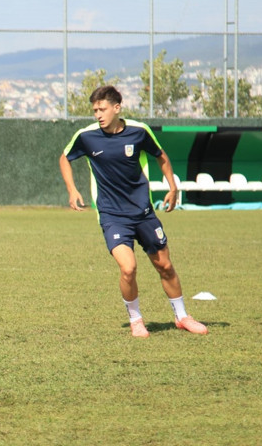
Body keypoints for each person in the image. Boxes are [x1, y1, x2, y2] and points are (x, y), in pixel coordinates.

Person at [59, 85, 207, 338]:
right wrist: (72, 190)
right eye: (94, 110)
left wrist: (173, 187)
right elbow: (64, 158)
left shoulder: (139, 132)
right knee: (128, 268)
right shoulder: (87, 136)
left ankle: (182, 316)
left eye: (102, 109)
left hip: (143, 212)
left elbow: (161, 156)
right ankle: (136, 319)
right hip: (111, 215)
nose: (98, 114)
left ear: (117, 108)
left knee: (166, 267)